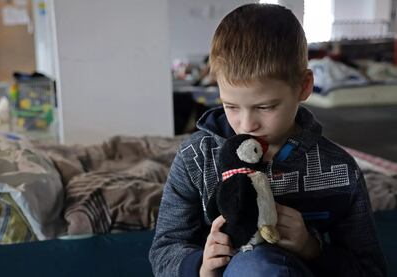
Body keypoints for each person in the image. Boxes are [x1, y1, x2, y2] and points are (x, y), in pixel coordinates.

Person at [149, 3, 387, 277]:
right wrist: (200, 266)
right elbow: (164, 249)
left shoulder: (340, 169)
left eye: (265, 107)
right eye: (231, 106)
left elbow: (370, 269)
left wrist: (312, 248)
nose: (247, 124)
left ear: (304, 87)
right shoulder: (196, 158)